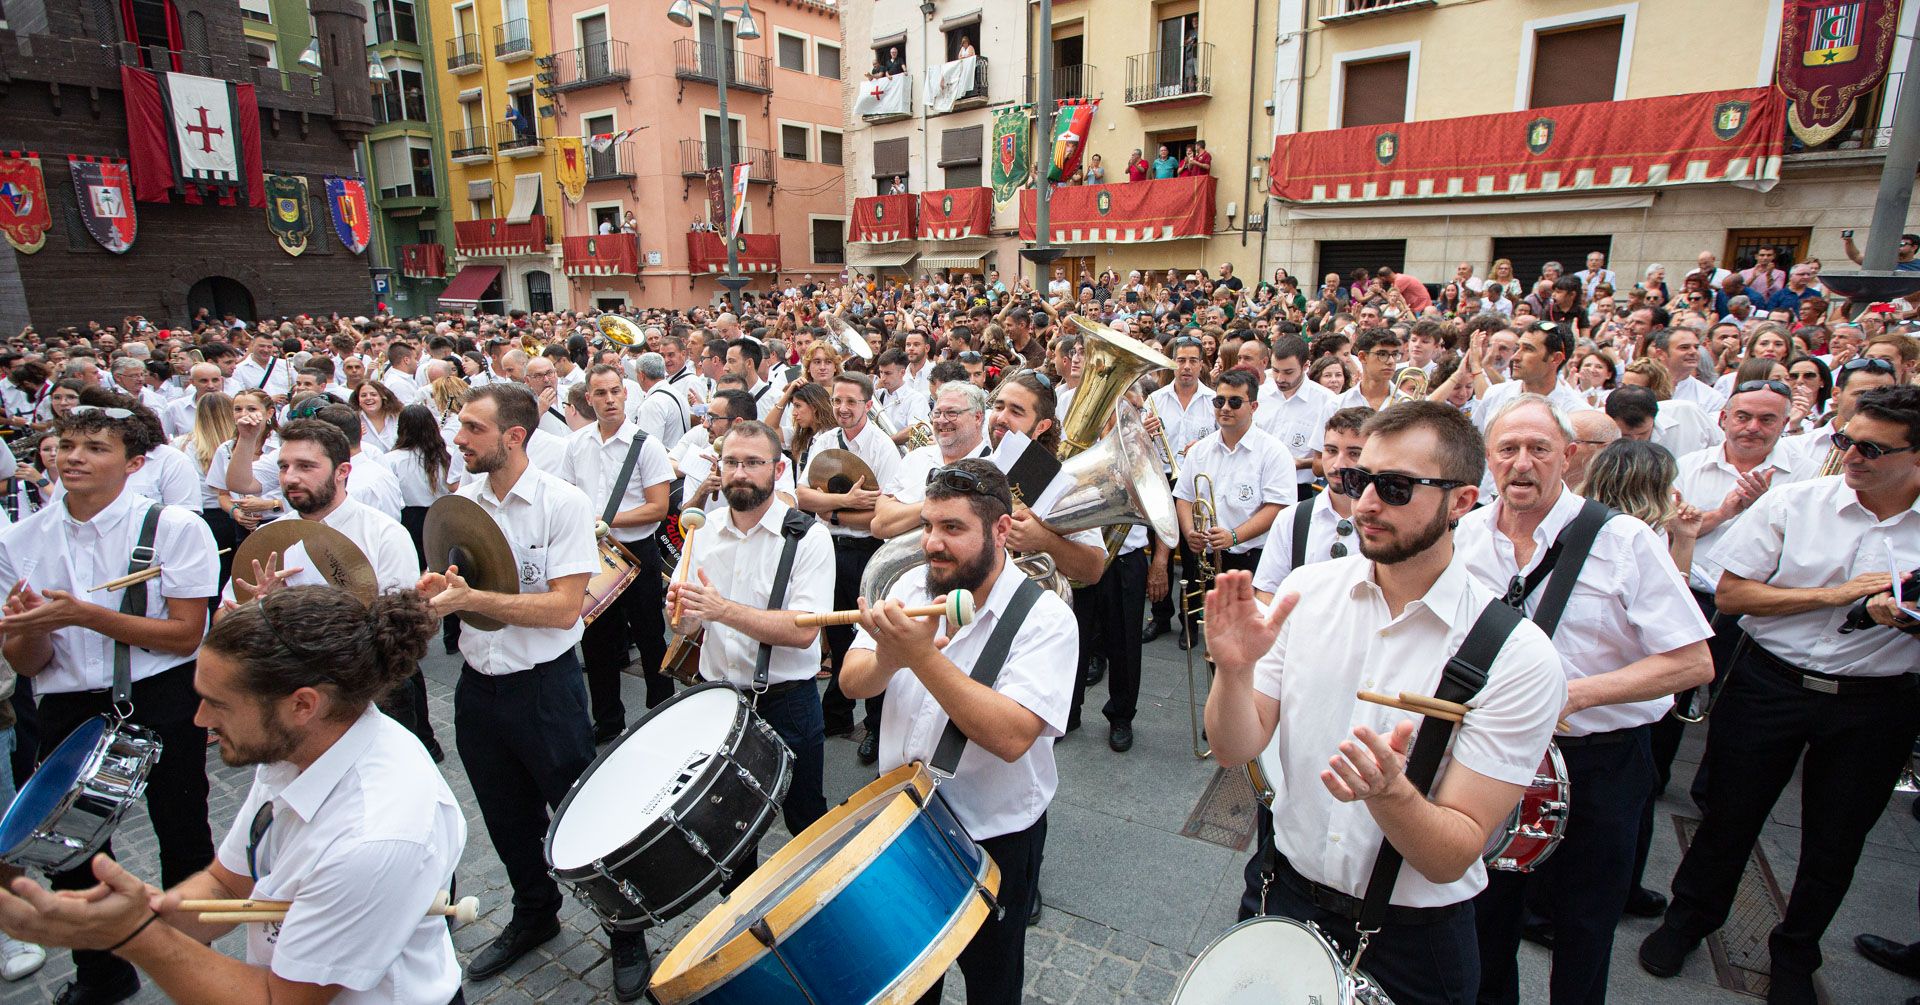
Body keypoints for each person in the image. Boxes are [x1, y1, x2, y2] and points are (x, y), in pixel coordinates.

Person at [1203, 402, 1566, 1005]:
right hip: (1282, 892)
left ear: (1461, 501)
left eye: (1396, 487)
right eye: (1354, 480)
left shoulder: (1518, 656)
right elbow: (1234, 748)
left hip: (1413, 939)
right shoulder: (1304, 592)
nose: (1365, 503)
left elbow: (1453, 854)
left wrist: (1391, 795)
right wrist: (1235, 674)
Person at [0, 585, 464, 1005]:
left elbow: (275, 1001)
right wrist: (130, 914)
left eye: (217, 703)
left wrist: (135, 936)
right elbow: (227, 883)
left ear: (303, 704)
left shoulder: (374, 835)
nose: (199, 720)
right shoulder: (295, 746)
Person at [1640, 386, 1920, 1005]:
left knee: (1837, 837)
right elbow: (1735, 596)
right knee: (1730, 814)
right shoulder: (1799, 503)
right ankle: (1687, 922)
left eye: (1872, 448)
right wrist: (1837, 595)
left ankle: (1795, 951)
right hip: (1773, 682)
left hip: (1877, 702)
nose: (1851, 455)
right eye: (1846, 439)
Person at [1458, 394, 1713, 1005]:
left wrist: (1572, 696)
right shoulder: (1464, 534)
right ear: (1487, 461)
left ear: (1569, 457)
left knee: (1584, 927)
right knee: (1487, 919)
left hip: (1598, 759)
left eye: (1538, 449)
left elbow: (1692, 661)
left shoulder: (1624, 540)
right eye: (1507, 449)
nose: (1522, 463)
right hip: (1491, 756)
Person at [414, 384, 649, 1000]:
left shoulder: (562, 503)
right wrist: (433, 594)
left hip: (546, 691)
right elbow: (454, 588)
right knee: (505, 814)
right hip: (478, 689)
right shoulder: (459, 502)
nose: (457, 438)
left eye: (471, 428)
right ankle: (534, 911)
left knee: (583, 816)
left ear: (514, 437)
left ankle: (625, 928)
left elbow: (566, 610)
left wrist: (470, 601)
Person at [0, 398, 219, 1005]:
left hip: (160, 694)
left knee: (182, 829)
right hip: (68, 704)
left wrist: (85, 615)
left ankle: (192, 962)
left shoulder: (171, 527)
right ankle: (101, 973)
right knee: (70, 849)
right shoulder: (22, 538)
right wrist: (30, 630)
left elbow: (184, 635)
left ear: (134, 462)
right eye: (66, 444)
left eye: (96, 448)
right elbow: (28, 664)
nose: (74, 457)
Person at [840, 460, 1077, 1005]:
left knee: (992, 984)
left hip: (994, 836)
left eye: (952, 529)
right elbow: (853, 683)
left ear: (1000, 530)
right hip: (901, 822)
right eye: (927, 525)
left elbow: (1013, 736)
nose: (932, 544)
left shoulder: (1046, 618)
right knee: (906, 981)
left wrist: (920, 657)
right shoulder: (906, 583)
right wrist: (888, 660)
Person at [666, 418, 832, 853]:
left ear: (778, 471)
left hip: (786, 700)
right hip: (717, 696)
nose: (740, 473)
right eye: (731, 462)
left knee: (805, 818)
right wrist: (683, 620)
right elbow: (691, 624)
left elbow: (803, 632)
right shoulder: (703, 530)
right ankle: (739, 909)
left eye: (753, 463)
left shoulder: (808, 537)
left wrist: (723, 610)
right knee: (725, 823)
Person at [797, 372, 902, 762]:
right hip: (827, 548)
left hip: (867, 551)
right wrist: (846, 506)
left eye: (851, 402)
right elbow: (801, 496)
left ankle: (876, 728)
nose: (842, 408)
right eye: (837, 400)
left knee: (872, 640)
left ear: (868, 405)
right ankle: (839, 714)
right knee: (837, 636)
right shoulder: (823, 440)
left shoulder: (883, 447)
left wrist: (834, 512)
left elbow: (883, 511)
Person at [564, 365, 674, 729]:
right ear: (588, 398)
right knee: (596, 642)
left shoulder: (647, 444)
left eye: (615, 391)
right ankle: (608, 719)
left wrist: (606, 520)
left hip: (638, 553)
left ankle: (662, 715)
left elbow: (659, 507)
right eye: (600, 393)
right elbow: (567, 496)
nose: (609, 399)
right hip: (594, 556)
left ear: (626, 394)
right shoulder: (577, 443)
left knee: (650, 638)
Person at [1174, 369, 1295, 582]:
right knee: (1197, 615)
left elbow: (1278, 506)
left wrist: (1234, 536)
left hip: (1249, 558)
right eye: (1219, 401)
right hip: (1205, 557)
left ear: (1254, 407)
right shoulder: (1199, 449)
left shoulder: (1274, 451)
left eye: (1235, 402)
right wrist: (1190, 532)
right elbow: (1184, 496)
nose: (1226, 408)